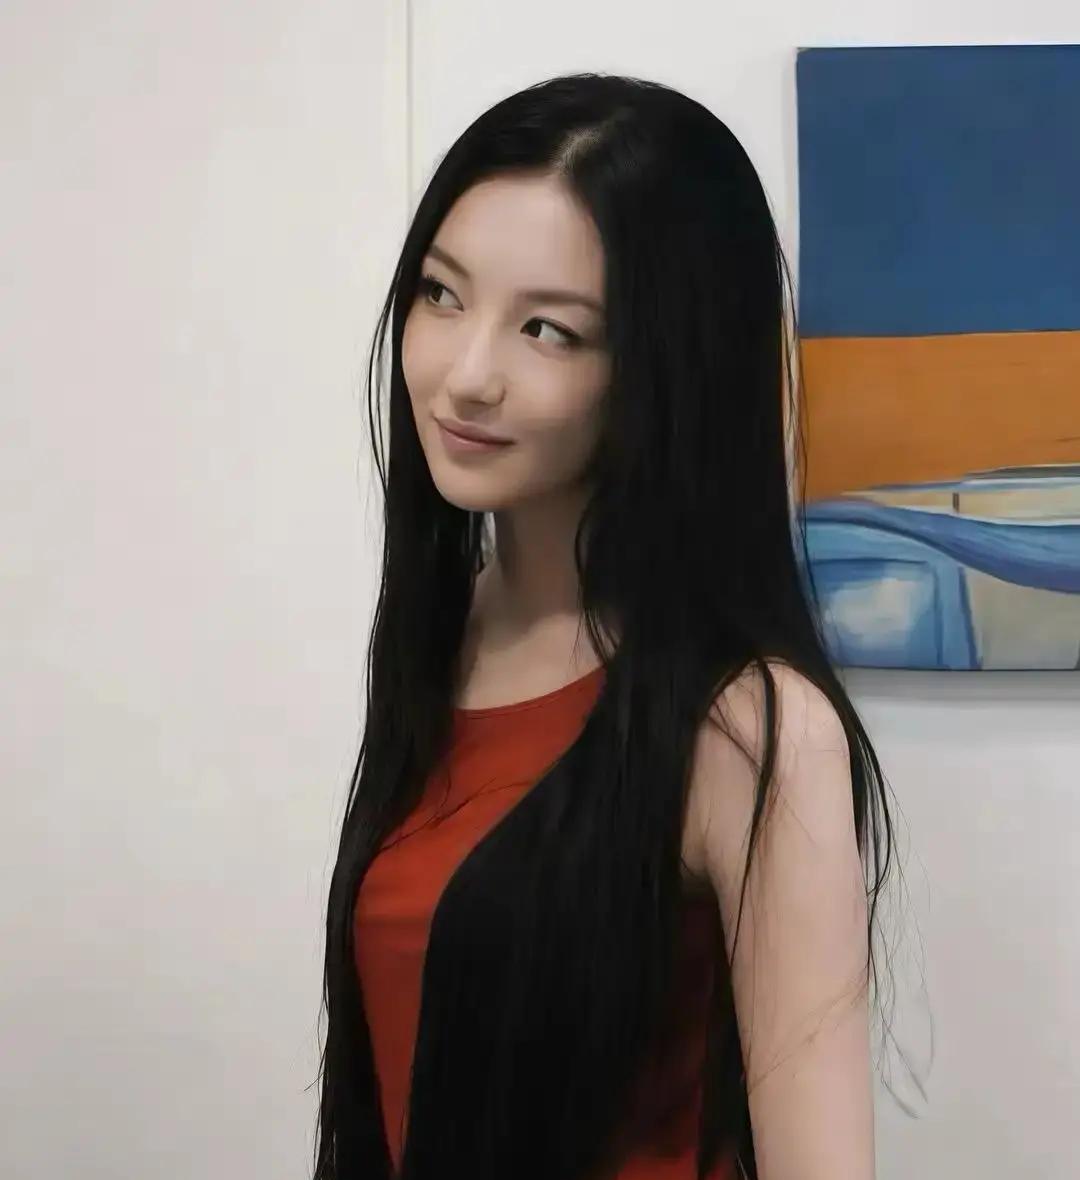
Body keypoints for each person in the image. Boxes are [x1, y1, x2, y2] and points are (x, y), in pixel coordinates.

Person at [313, 72, 896, 1180]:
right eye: (441, 294)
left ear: (667, 368)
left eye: (549, 330)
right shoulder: (445, 641)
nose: (466, 375)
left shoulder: (748, 724)